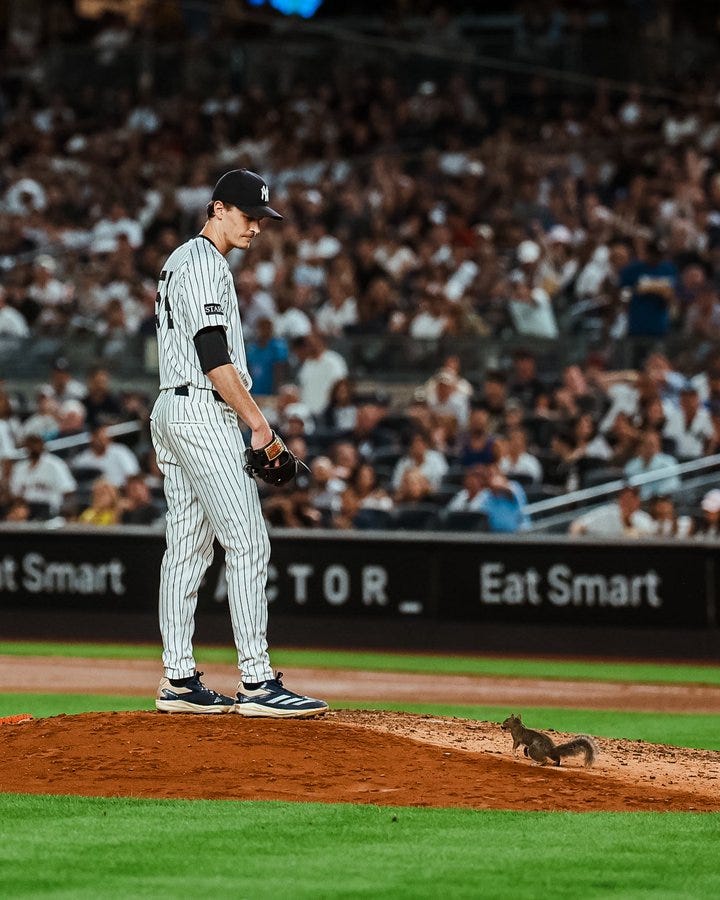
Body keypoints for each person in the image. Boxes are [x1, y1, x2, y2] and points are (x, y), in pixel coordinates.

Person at [149, 167, 327, 717]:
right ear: (218, 208)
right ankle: (257, 681)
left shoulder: (179, 260)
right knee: (248, 542)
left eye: (262, 219)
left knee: (187, 547)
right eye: (249, 216)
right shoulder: (204, 264)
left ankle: (178, 679)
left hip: (172, 408)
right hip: (203, 410)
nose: (256, 227)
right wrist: (261, 426)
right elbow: (214, 358)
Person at [9, 434, 77, 519]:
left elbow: (69, 489)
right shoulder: (19, 467)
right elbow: (15, 494)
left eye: (35, 443)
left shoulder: (55, 464)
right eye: (30, 444)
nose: (33, 447)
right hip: (27, 508)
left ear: (42, 444)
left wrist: (59, 505)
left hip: (49, 507)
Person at [569, 483, 656, 537]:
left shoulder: (644, 519)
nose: (627, 502)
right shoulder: (607, 513)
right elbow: (577, 525)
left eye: (631, 499)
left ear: (637, 501)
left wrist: (628, 523)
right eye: (624, 499)